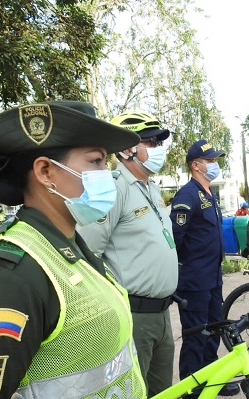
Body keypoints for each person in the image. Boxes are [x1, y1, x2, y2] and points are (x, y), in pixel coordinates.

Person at [0, 101, 146, 398]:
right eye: (96, 162)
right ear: (46, 172)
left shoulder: (69, 248)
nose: (107, 174)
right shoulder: (6, 281)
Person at [77, 110, 178, 397]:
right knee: (134, 390)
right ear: (126, 149)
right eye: (151, 142)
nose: (158, 149)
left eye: (159, 142)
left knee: (162, 391)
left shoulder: (152, 188)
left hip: (162, 314)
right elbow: (88, 254)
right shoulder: (112, 188)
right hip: (134, 315)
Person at [170, 140, 239, 398]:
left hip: (213, 277)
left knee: (214, 330)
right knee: (196, 335)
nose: (214, 164)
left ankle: (212, 380)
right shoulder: (188, 195)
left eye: (214, 160)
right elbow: (176, 239)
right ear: (196, 165)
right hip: (195, 279)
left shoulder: (209, 193)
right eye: (209, 161)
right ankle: (190, 388)